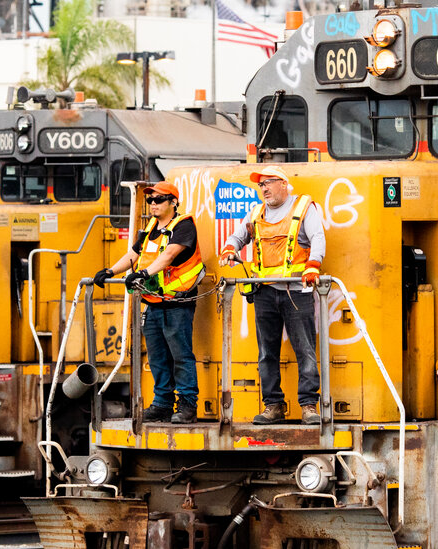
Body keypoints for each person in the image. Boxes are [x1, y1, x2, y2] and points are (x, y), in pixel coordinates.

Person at [218, 166, 326, 425]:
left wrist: (313, 264)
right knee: (267, 352)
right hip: (265, 291)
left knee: (305, 350)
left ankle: (309, 406)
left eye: (268, 183)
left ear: (283, 184)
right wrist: (230, 247)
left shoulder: (303, 208)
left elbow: (318, 237)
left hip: (296, 292)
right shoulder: (256, 213)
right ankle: (273, 406)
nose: (263, 189)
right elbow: (237, 235)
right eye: (261, 185)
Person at [94, 182, 203, 424]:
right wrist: (110, 271)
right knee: (157, 358)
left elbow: (169, 255)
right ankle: (162, 404)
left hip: (177, 303)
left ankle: (187, 405)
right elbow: (134, 255)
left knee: (181, 357)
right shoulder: (151, 226)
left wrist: (144, 274)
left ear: (173, 202)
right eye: (150, 200)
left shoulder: (184, 225)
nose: (153, 204)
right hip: (154, 304)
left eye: (159, 199)